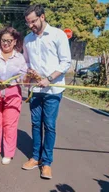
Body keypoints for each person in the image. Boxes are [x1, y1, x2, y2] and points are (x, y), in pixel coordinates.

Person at [21, 4, 71, 179]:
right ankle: (35, 157)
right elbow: (26, 62)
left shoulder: (58, 35)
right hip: (35, 90)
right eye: (28, 23)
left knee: (49, 125)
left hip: (53, 89)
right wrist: (29, 75)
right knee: (35, 124)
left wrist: (48, 79)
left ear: (42, 17)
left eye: (33, 21)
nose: (31, 26)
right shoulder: (28, 39)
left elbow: (65, 62)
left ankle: (47, 162)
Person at [0, 27, 27, 165]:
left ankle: (8, 153)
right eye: (3, 40)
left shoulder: (19, 57)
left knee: (9, 124)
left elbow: (22, 75)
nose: (6, 43)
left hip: (12, 92)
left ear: (15, 41)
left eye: (9, 41)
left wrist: (24, 79)